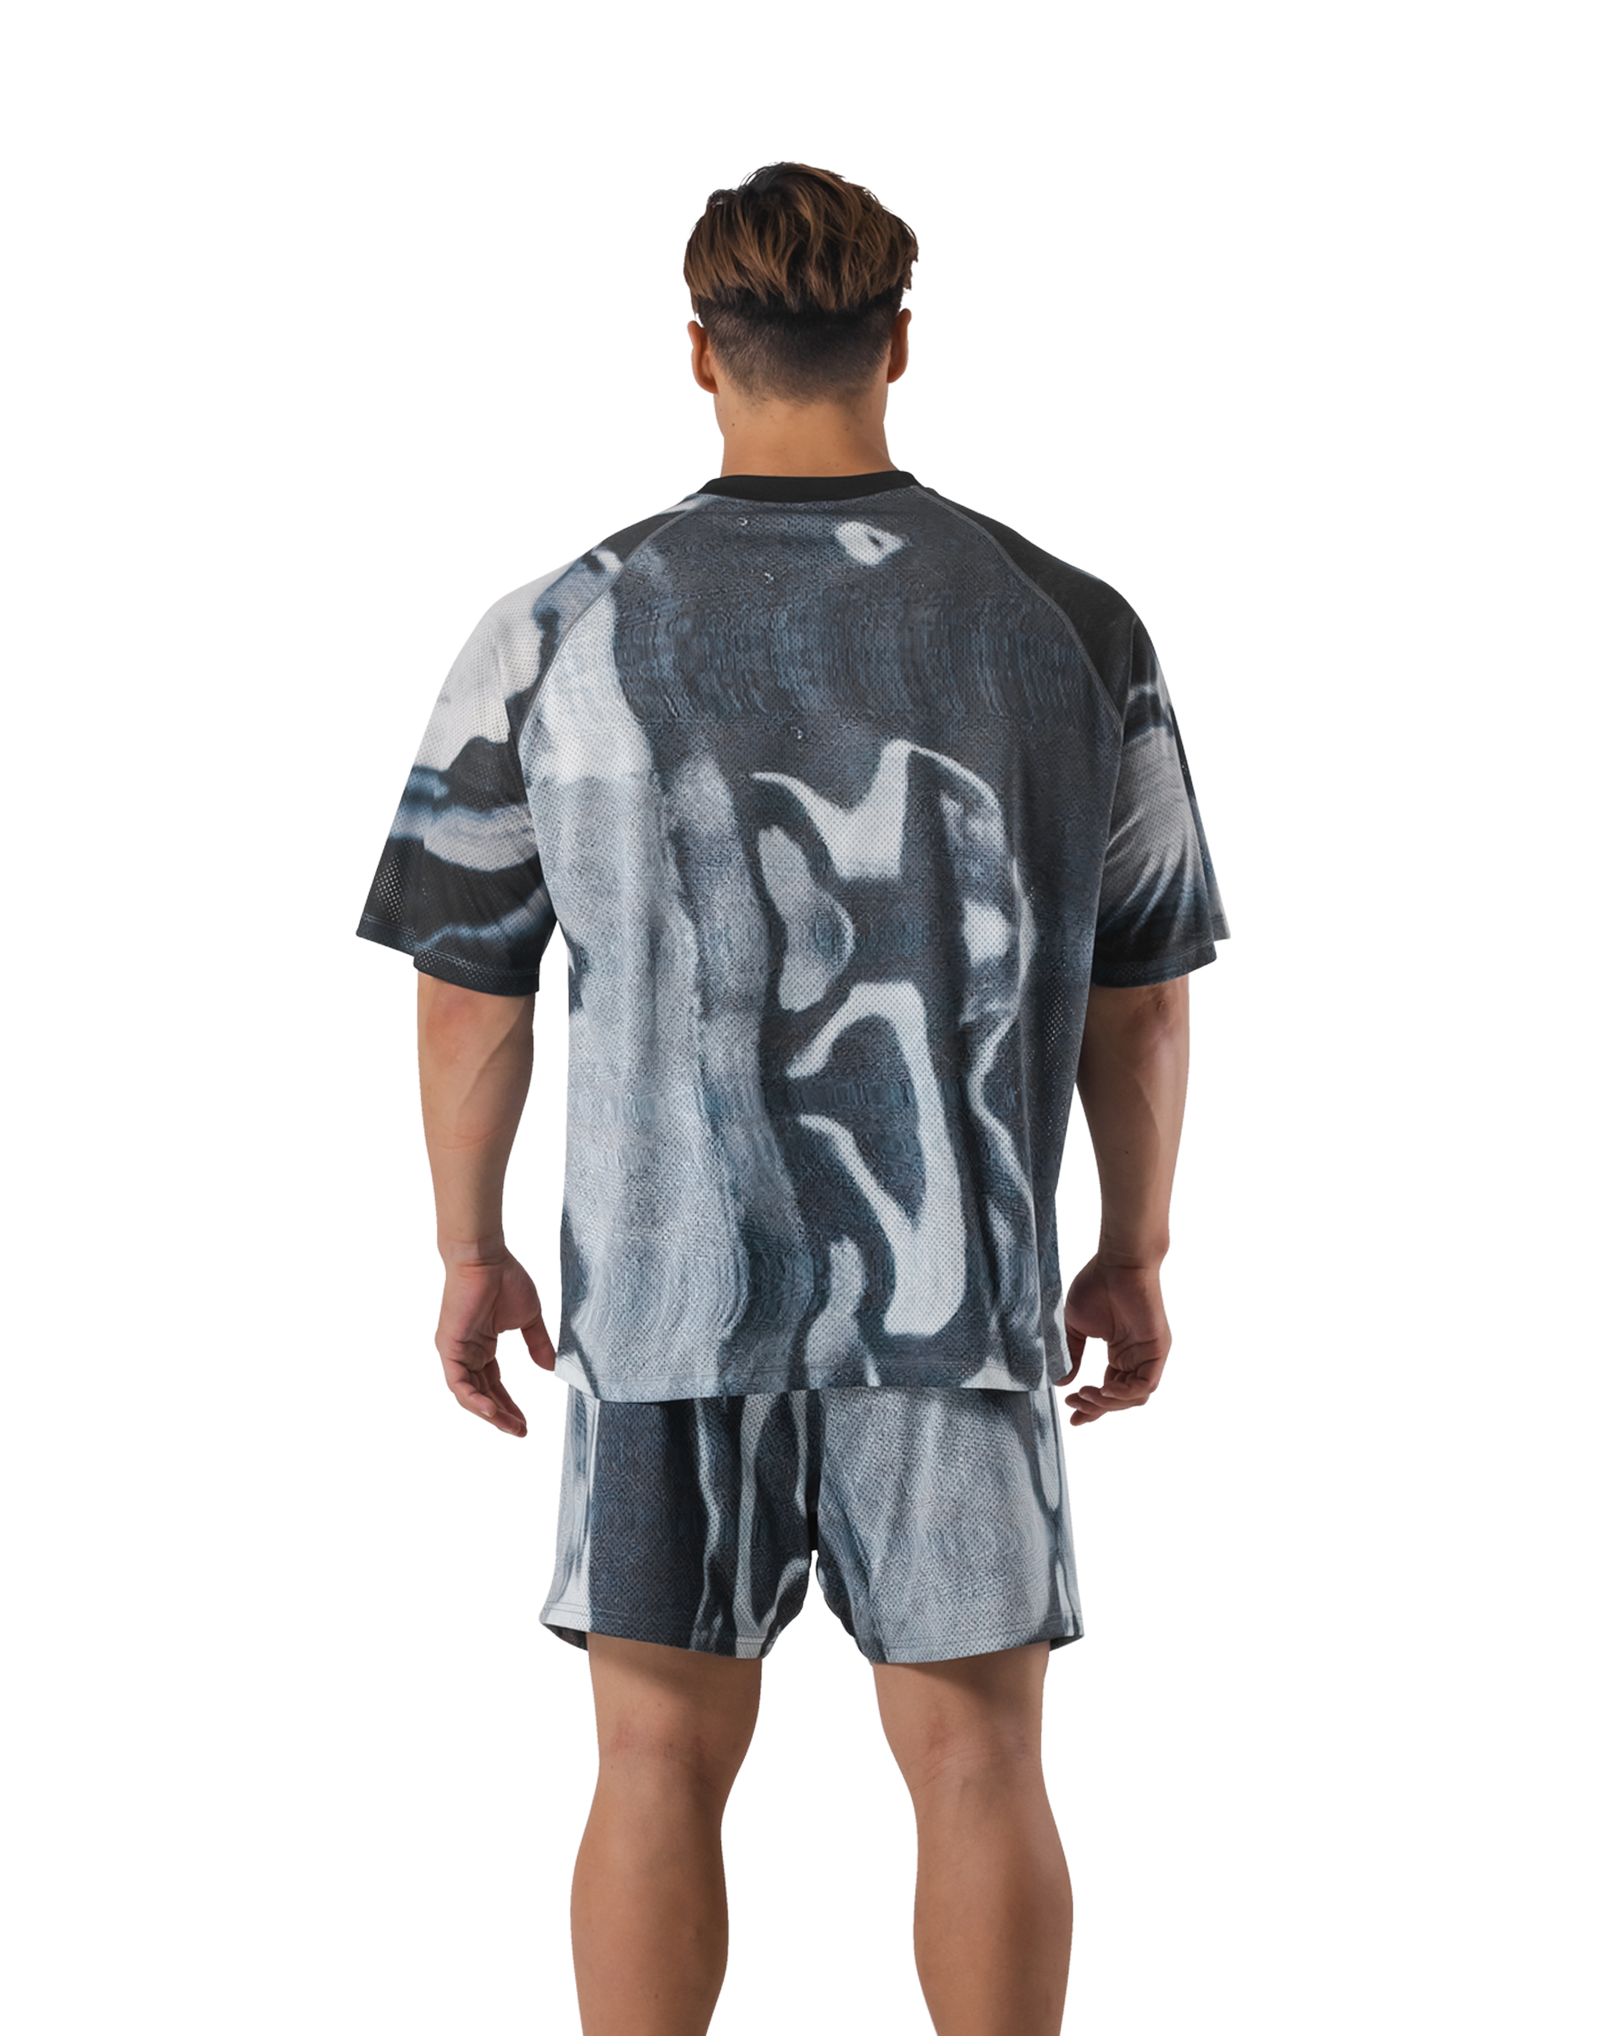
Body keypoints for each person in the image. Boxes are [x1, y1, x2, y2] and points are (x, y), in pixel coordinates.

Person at [352, 158, 1232, 2036]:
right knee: (983, 1761)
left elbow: (466, 986)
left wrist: (469, 1251)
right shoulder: (1076, 621)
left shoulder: (552, 624)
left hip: (665, 1296)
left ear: (697, 351)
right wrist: (1133, 1250)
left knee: (652, 1761)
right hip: (957, 1293)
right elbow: (1148, 995)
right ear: (902, 340)